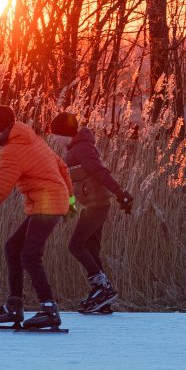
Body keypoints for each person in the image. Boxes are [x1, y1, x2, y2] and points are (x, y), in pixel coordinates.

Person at [0, 105, 74, 330]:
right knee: (13, 248)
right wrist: (71, 201)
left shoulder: (13, 151)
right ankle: (14, 306)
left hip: (47, 203)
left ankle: (49, 309)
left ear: (2, 130)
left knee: (30, 255)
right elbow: (62, 166)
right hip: (51, 201)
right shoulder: (32, 139)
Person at [47, 111, 135, 314]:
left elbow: (100, 172)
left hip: (97, 205)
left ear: (65, 132)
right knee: (91, 249)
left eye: (56, 134)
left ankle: (103, 287)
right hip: (92, 205)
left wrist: (120, 193)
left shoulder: (83, 148)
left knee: (75, 245)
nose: (55, 138)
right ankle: (103, 300)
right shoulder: (73, 150)